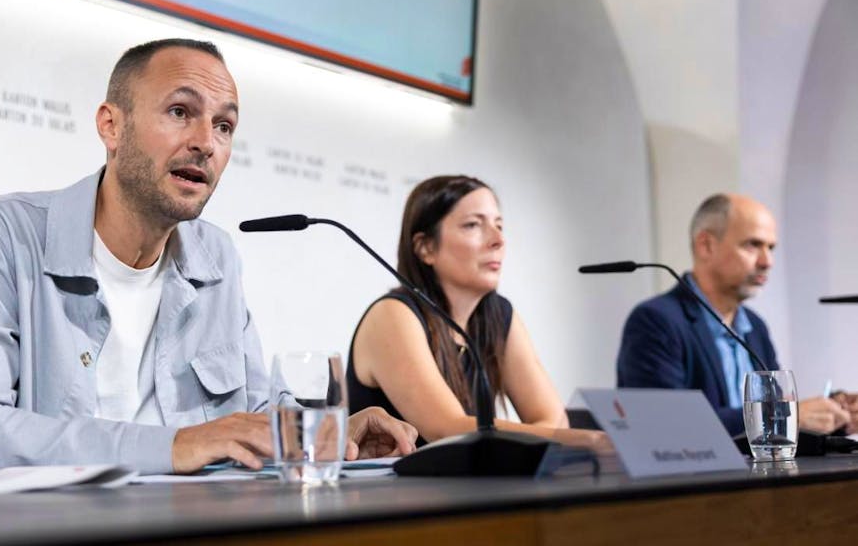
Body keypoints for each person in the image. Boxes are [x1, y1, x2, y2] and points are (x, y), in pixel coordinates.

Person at [0, 39, 416, 475]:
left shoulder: (216, 256)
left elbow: (254, 411)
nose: (205, 143)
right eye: (181, 112)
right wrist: (174, 446)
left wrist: (327, 433)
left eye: (224, 126)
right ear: (111, 126)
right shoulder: (3, 238)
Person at [347, 175, 609, 450]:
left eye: (499, 225)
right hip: (395, 492)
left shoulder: (498, 314)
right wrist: (586, 439)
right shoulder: (393, 315)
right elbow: (446, 429)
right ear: (425, 248)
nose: (498, 240)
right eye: (473, 225)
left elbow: (554, 422)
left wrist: (561, 435)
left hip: (473, 489)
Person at [617, 193, 858, 436]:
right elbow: (664, 425)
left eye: (771, 248)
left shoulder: (755, 326)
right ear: (706, 245)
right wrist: (785, 415)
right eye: (753, 245)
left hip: (761, 473)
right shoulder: (656, 320)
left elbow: (774, 428)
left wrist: (835, 417)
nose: (767, 261)